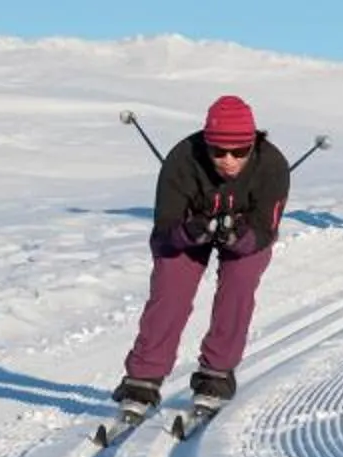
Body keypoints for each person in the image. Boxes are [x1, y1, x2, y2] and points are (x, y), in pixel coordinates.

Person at [113, 95, 291, 414]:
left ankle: (216, 373)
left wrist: (239, 236)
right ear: (206, 144)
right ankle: (143, 377)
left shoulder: (273, 165)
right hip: (187, 231)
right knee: (171, 290)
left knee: (240, 283)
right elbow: (165, 225)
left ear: (253, 144)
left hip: (246, 232)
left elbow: (265, 229)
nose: (228, 160)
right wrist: (189, 231)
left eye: (239, 152)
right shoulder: (181, 160)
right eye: (218, 151)